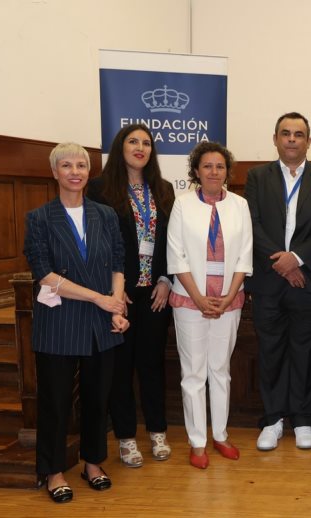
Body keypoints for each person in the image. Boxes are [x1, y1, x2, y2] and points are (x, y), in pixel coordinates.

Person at [24, 142, 128, 503]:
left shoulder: (105, 214)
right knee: (54, 402)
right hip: (60, 321)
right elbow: (44, 275)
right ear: (54, 172)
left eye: (81, 165)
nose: (74, 171)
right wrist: (100, 299)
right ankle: (53, 471)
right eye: (65, 165)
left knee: (98, 399)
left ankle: (93, 463)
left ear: (89, 172)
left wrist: (116, 307)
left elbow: (118, 262)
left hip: (102, 323)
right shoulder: (39, 218)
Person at [245, 112, 311, 451]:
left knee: (305, 351)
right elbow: (252, 223)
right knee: (270, 351)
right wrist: (282, 262)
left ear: (309, 141)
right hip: (269, 280)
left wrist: (296, 258)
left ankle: (302, 419)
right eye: (286, 133)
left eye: (299, 134)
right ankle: (272, 419)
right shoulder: (257, 176)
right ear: (276, 139)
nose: (292, 139)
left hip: (306, 280)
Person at [87, 124, 175, 467]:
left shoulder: (163, 189)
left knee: (152, 364)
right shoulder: (99, 189)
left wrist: (166, 280)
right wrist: (113, 290)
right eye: (133, 141)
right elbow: (98, 245)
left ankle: (157, 431)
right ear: (119, 147)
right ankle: (125, 437)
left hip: (154, 293)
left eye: (146, 143)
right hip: (118, 294)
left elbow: (171, 242)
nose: (140, 147)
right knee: (120, 369)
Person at [166, 142, 253, 469]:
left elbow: (245, 254)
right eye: (207, 166)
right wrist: (200, 298)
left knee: (220, 370)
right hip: (190, 301)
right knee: (193, 373)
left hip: (228, 300)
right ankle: (198, 442)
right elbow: (177, 256)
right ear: (196, 171)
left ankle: (220, 434)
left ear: (227, 171)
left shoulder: (240, 205)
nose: (214, 172)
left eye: (220, 166)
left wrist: (229, 296)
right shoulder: (182, 205)